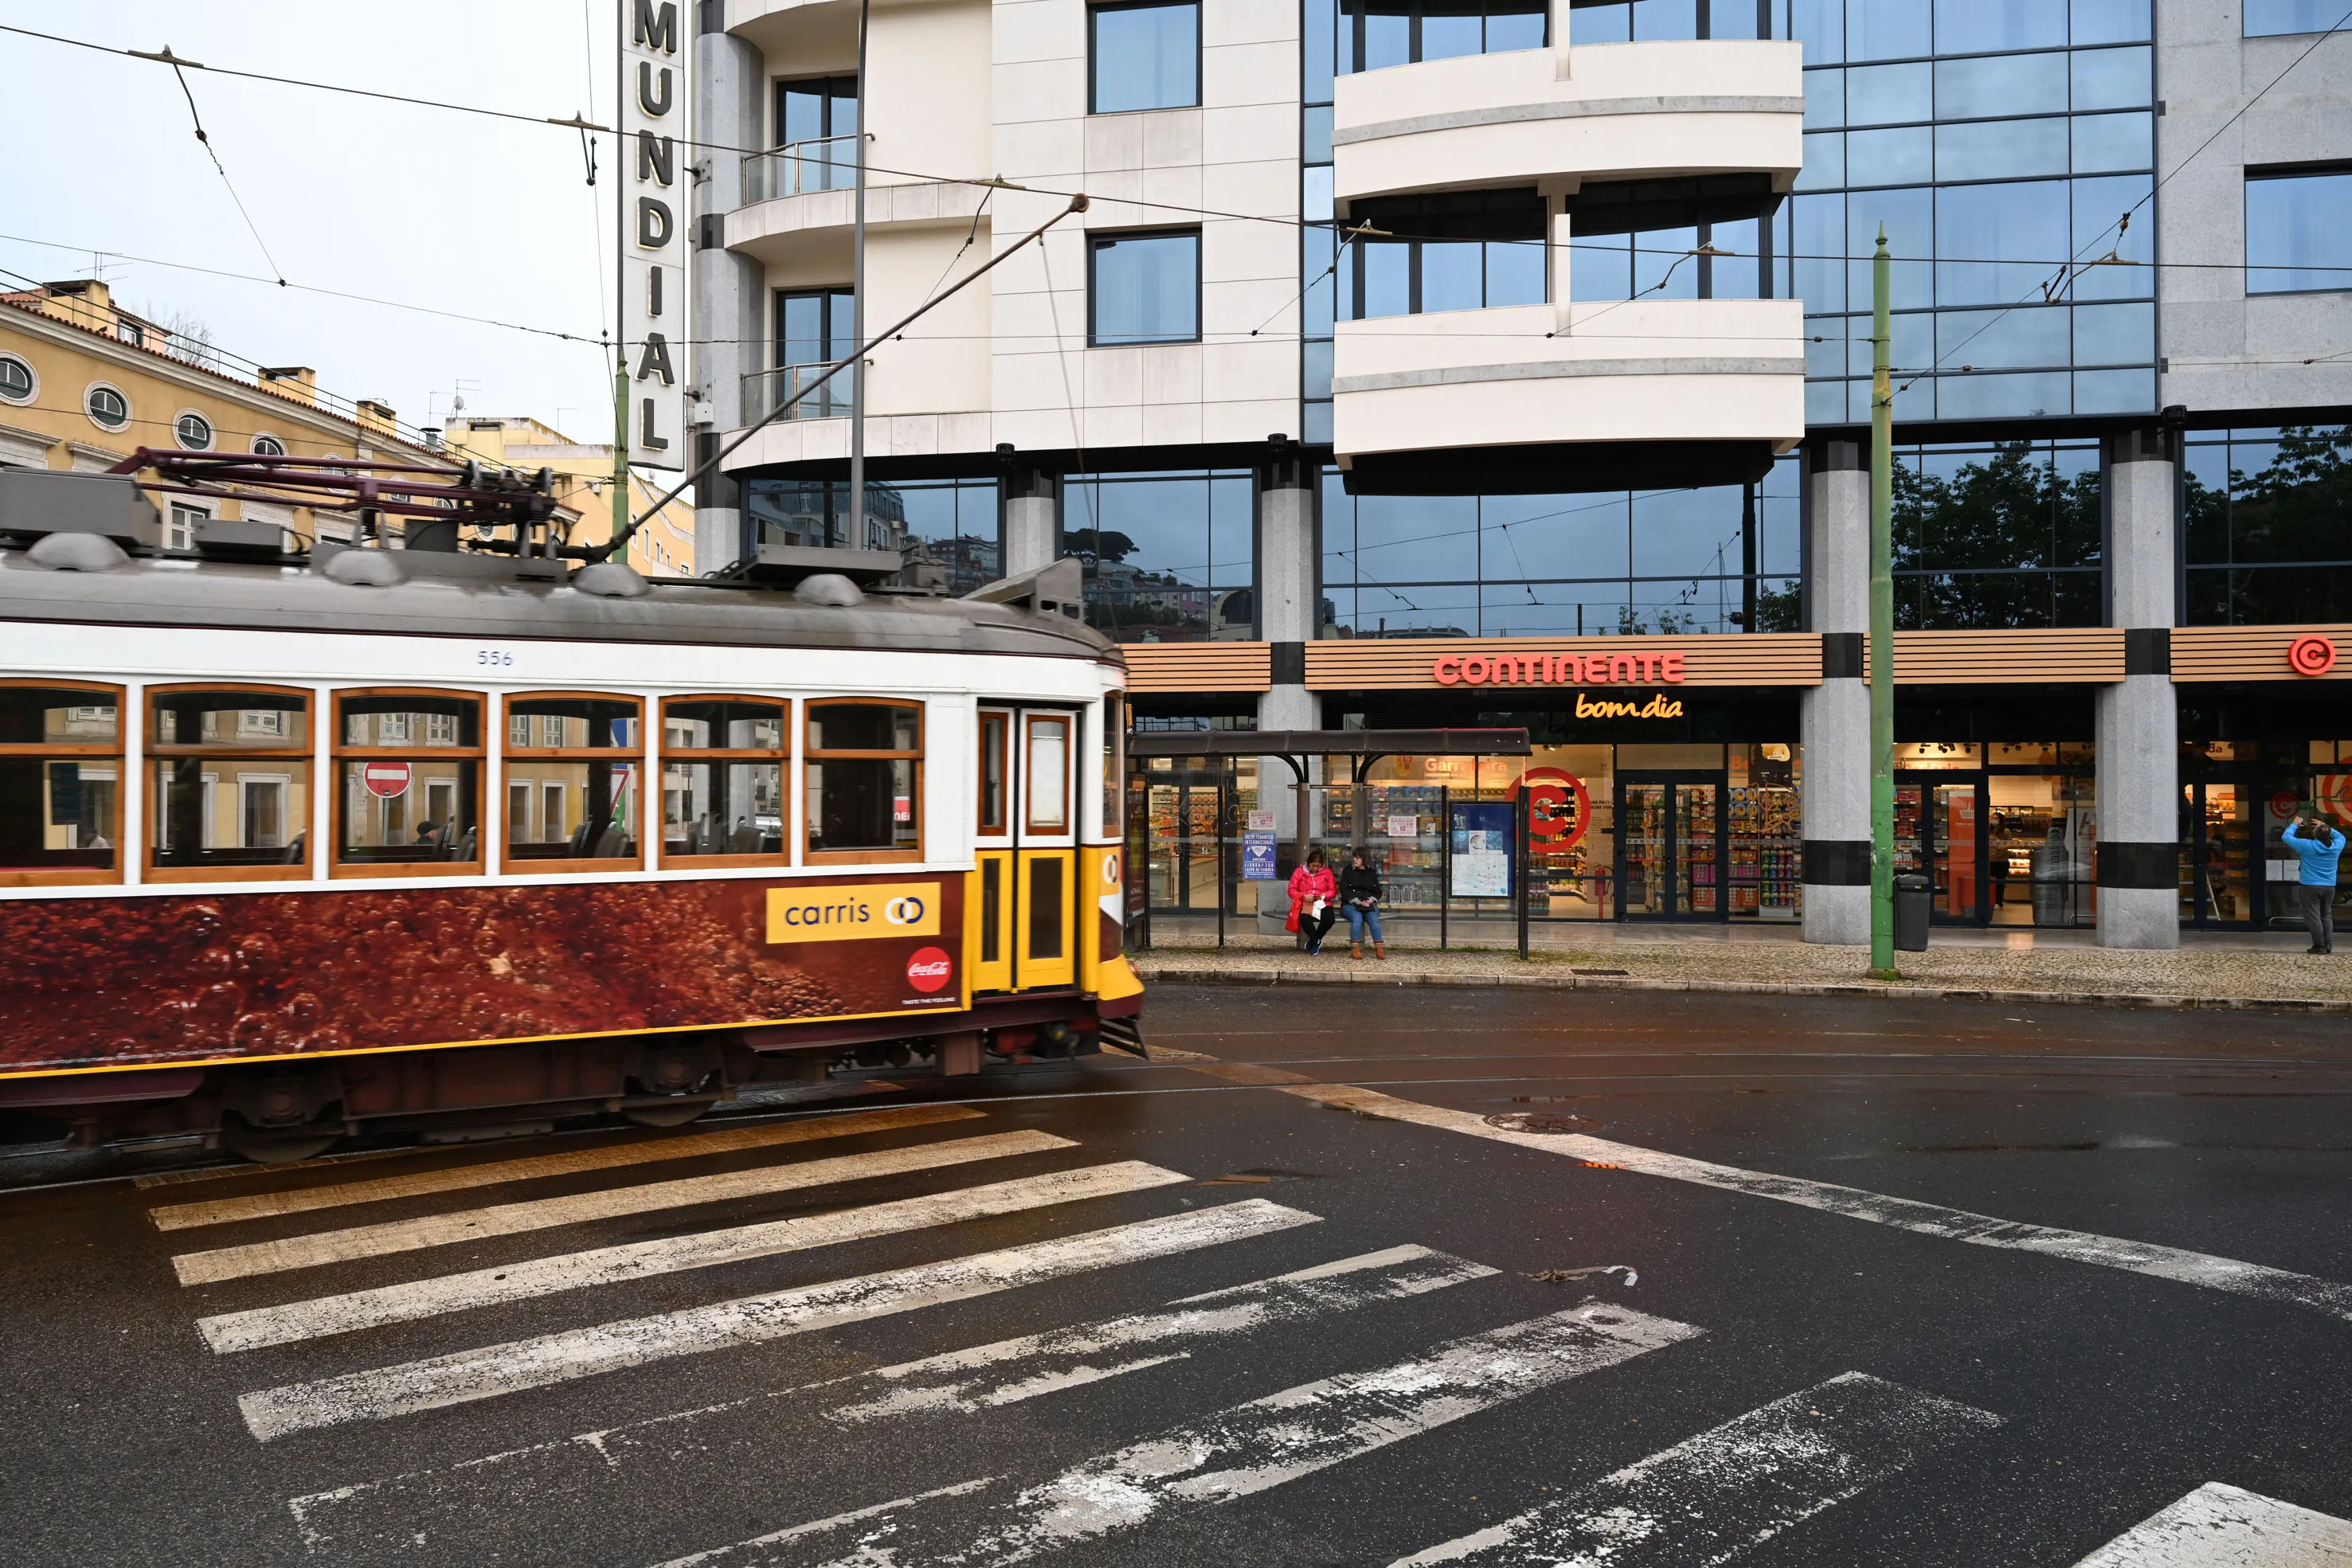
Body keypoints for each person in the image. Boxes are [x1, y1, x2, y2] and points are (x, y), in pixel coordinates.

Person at [2281, 811, 2344, 955]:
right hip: (2329, 886)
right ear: (2329, 835)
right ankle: (2328, 944)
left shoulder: (2307, 845)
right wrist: (2324, 825)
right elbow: (2340, 836)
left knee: (2313, 916)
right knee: (2326, 915)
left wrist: (2294, 825)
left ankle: (2319, 945)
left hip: (2310, 886)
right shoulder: (2337, 846)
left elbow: (2286, 837)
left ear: (2315, 835)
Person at [1338, 847, 1387, 961]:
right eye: (1354, 857)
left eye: (1358, 858)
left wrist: (1371, 900)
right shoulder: (1348, 870)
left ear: (1365, 859)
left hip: (1368, 903)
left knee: (1373, 918)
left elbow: (1378, 891)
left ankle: (1379, 948)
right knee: (1357, 918)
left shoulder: (1371, 872)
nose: (1355, 860)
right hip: (1350, 904)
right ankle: (1355, 948)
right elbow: (1344, 890)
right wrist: (1357, 901)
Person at [1287, 848, 1337, 956]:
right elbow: (1291, 890)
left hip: (1323, 902)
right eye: (1313, 866)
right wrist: (1303, 896)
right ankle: (1316, 941)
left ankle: (1315, 939)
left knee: (1329, 919)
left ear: (1322, 865)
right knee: (1305, 919)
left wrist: (1324, 896)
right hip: (1306, 903)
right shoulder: (1299, 872)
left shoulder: (1327, 872)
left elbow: (1333, 890)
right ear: (1308, 863)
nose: (1315, 868)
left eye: (1318, 866)